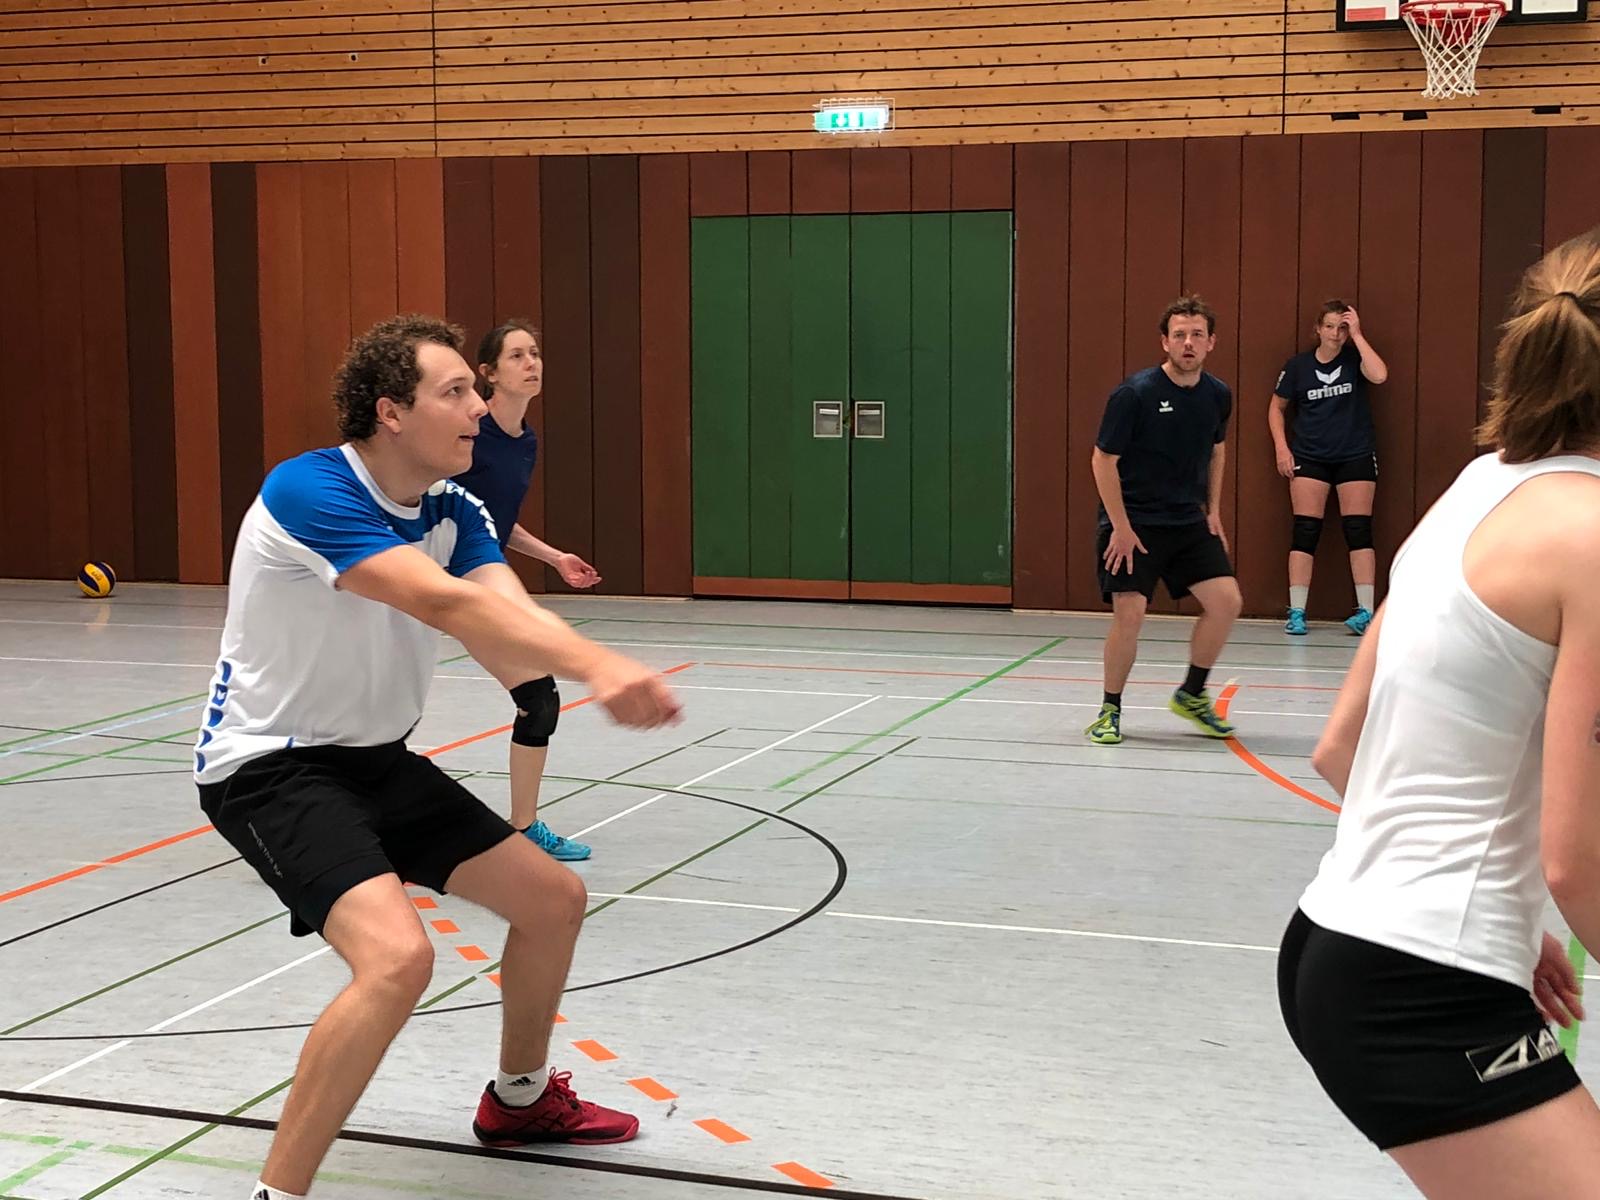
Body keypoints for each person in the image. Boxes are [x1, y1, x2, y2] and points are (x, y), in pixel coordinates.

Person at [193, 315, 681, 1200]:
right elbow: (445, 604)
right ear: (391, 412)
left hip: (379, 760)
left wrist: (564, 669)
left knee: (553, 899)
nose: (477, 408)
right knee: (396, 960)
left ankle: (519, 1101)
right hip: (270, 768)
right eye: (454, 392)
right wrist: (599, 665)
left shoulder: (456, 509)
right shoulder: (310, 490)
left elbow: (507, 612)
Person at [1278, 228, 1600, 1198]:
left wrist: (1500, 921)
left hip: (1333, 942)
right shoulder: (1589, 536)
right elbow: (1574, 860)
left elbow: (1339, 747)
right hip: (1419, 990)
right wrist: (1486, 915)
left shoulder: (1481, 486)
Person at [451, 320, 600, 862]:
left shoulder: (525, 442)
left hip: (475, 581)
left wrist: (554, 557)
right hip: (433, 580)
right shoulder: (466, 432)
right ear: (488, 373)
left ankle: (523, 827)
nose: (531, 363)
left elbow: (495, 519)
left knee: (538, 700)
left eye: (534, 353)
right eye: (516, 356)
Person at [1083, 295, 1243, 746]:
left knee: (1226, 602)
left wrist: (1213, 511)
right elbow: (1102, 460)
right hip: (1134, 522)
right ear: (1165, 342)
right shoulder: (1135, 394)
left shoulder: (1217, 394)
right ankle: (1109, 709)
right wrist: (1120, 526)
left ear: (1211, 342)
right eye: (1179, 335)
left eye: (1196, 335)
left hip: (1187, 521)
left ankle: (1191, 694)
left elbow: (1217, 450)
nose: (1188, 343)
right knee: (1130, 613)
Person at [1268, 300, 1390, 637]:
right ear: (1318, 329)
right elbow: (1276, 408)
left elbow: (1380, 375)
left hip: (1355, 454)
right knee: (1305, 530)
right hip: (1310, 456)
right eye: (1330, 327)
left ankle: (1365, 611)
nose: (1336, 334)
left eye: (1342, 328)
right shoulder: (1298, 367)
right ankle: (1297, 611)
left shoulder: (1355, 359)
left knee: (1358, 529)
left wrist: (1359, 336)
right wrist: (1282, 448)